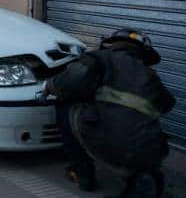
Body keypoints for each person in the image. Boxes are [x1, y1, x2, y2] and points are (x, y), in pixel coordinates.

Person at [44, 28, 175, 198]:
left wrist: (48, 86)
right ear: (142, 53)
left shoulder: (97, 59)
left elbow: (66, 84)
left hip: (107, 144)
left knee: (65, 102)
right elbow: (167, 105)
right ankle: (141, 175)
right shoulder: (150, 75)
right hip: (149, 152)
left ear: (111, 44)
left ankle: (82, 170)